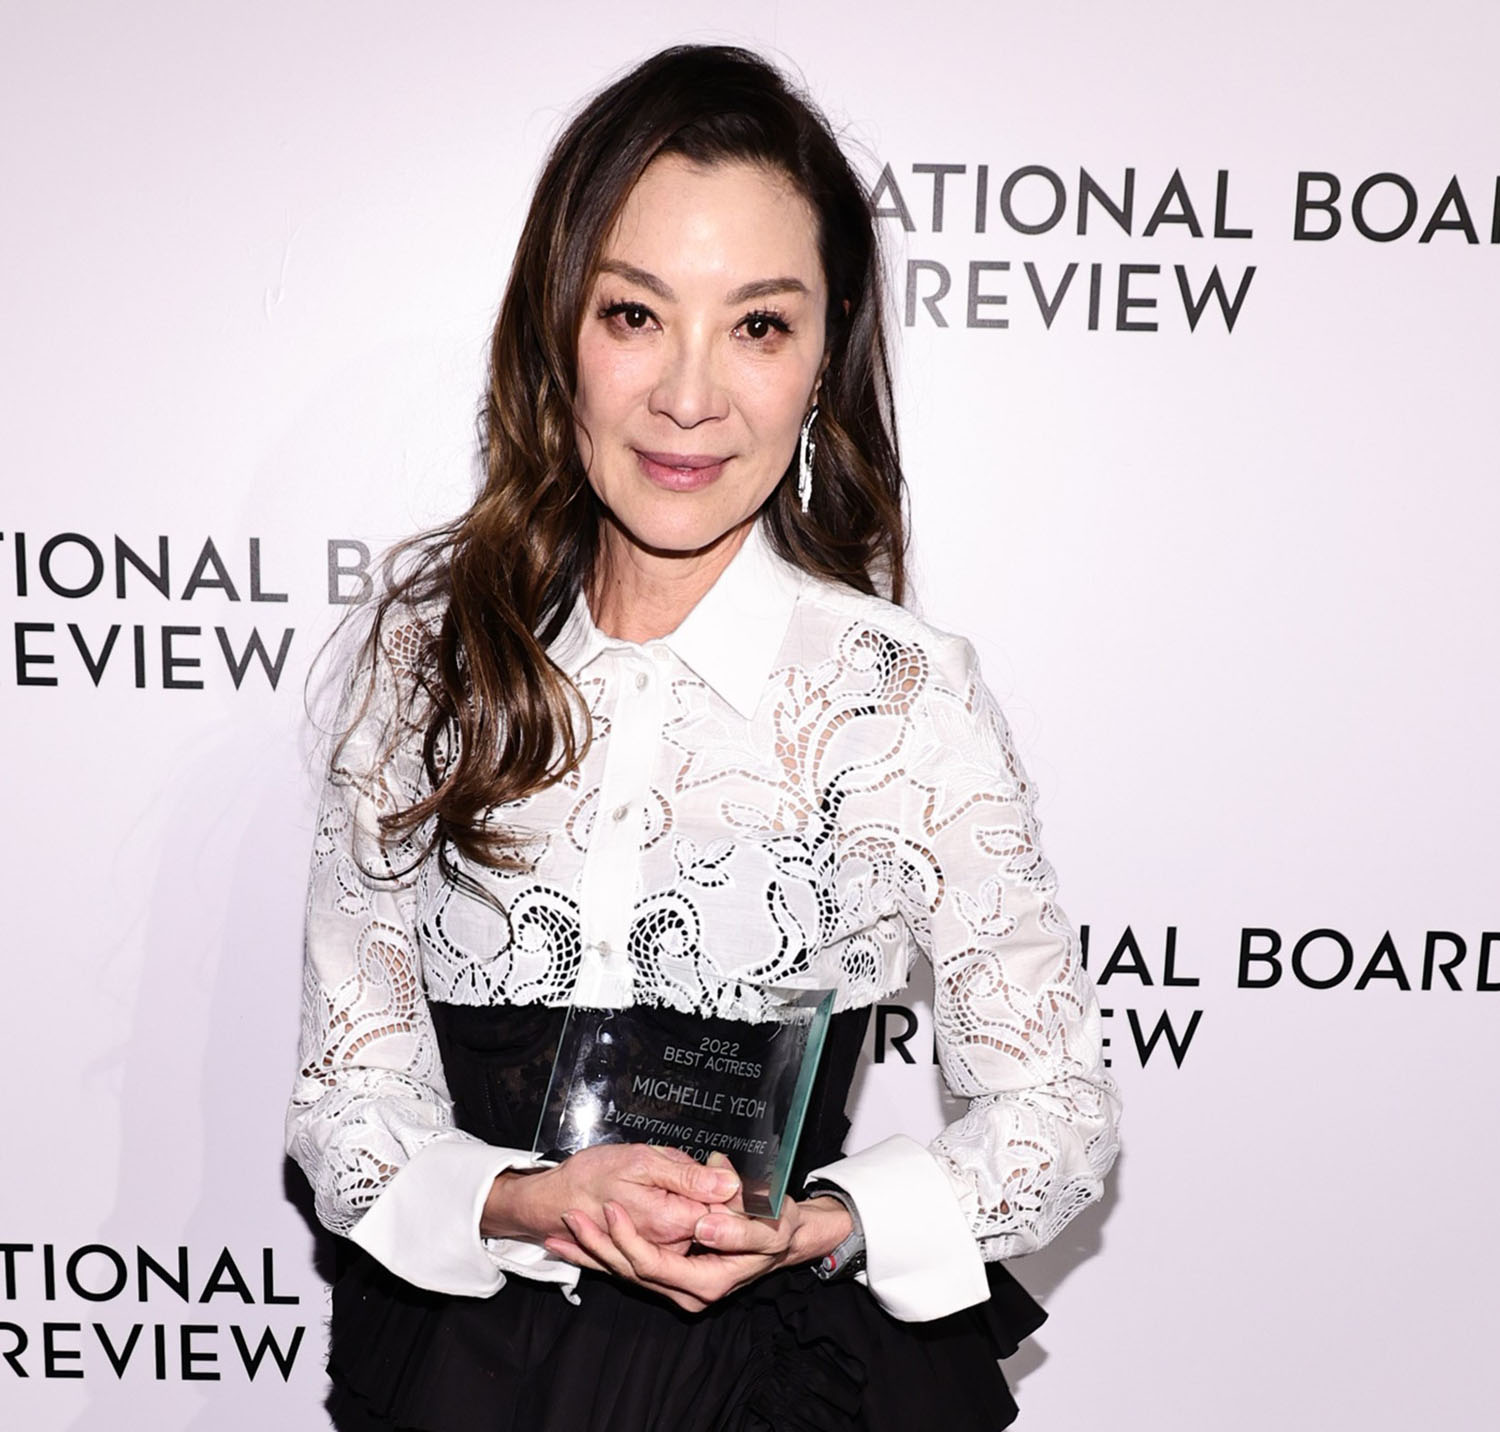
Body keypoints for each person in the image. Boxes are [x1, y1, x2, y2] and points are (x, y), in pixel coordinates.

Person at [287, 43, 1120, 1432]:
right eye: (635, 314)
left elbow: (1058, 1115)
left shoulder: (898, 699)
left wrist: (825, 1221)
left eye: (758, 327)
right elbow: (346, 1099)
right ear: (559, 334)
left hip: (781, 1387)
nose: (690, 395)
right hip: (468, 1383)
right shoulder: (431, 665)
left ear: (823, 356)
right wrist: (525, 1200)